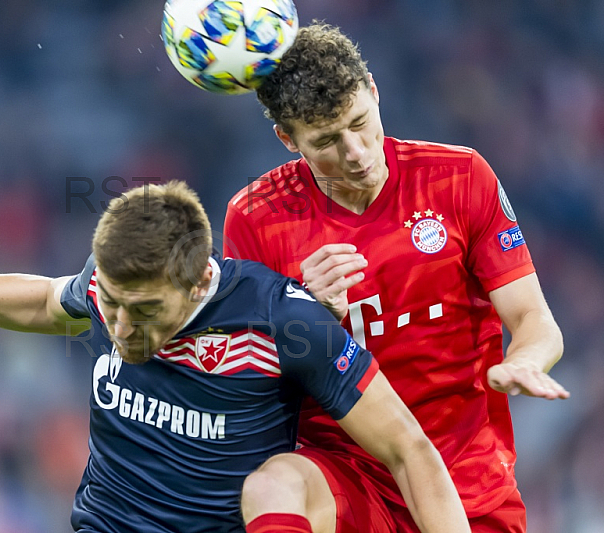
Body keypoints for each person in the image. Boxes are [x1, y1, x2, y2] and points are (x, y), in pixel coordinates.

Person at [0, 182, 470, 533]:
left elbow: (409, 448)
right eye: (111, 302)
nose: (120, 326)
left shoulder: (285, 321)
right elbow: (47, 301)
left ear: (196, 284)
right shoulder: (114, 287)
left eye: (145, 311)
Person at [224, 23, 569, 533]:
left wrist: (522, 362)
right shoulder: (255, 218)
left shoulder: (459, 178)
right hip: (347, 475)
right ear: (286, 139)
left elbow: (534, 319)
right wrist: (301, 311)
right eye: (326, 141)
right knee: (274, 485)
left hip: (467, 483)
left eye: (361, 122)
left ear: (374, 90)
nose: (356, 153)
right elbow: (248, 386)